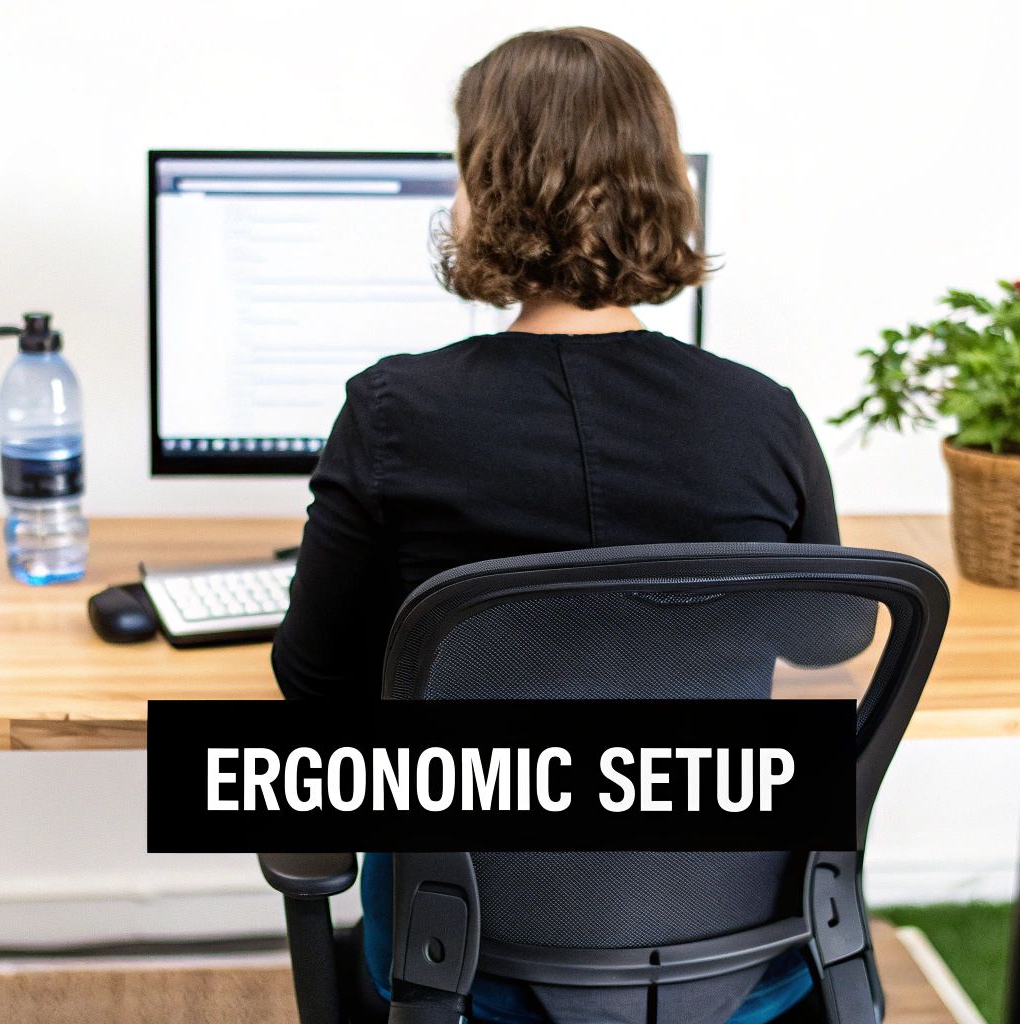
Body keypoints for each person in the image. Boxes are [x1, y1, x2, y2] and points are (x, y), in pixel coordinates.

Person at [271, 26, 838, 1024]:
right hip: (731, 957)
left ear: (488, 191)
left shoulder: (393, 412)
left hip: (466, 957)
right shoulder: (760, 414)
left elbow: (315, 685)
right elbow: (828, 633)